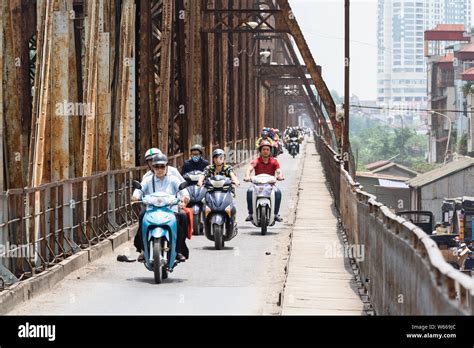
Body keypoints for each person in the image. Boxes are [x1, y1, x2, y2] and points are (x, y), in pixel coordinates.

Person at [132, 154, 190, 263]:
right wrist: (135, 197)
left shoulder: (173, 179)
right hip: (152, 209)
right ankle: (143, 250)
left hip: (170, 210)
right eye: (156, 167)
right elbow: (139, 189)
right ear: (152, 167)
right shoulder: (148, 180)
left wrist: (184, 199)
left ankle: (178, 250)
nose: (159, 169)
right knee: (141, 218)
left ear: (167, 166)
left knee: (182, 219)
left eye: (162, 166)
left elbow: (183, 191)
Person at [244, 140, 284, 222]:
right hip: (257, 185)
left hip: (270, 185)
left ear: (270, 151)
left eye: (267, 149)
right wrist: (247, 176)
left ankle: (275, 214)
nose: (265, 151)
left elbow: (278, 170)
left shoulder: (274, 161)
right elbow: (249, 168)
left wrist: (280, 175)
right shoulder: (256, 161)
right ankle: (251, 213)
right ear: (260, 151)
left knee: (278, 193)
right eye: (263, 149)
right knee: (249, 191)